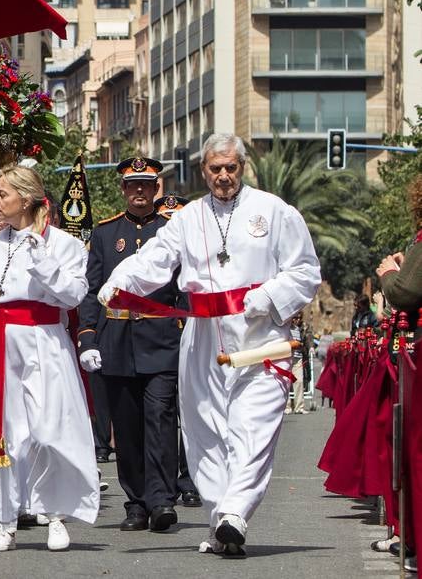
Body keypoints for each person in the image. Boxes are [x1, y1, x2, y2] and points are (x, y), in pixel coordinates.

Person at [98, 133, 322, 558]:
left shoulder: (274, 211)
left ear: (242, 167)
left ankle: (236, 512)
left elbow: (306, 270)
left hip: (259, 336)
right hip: (202, 337)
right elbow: (156, 260)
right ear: (203, 171)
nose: (223, 176)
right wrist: (121, 281)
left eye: (231, 167)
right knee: (206, 433)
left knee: (253, 427)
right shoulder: (186, 218)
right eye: (215, 168)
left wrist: (269, 297)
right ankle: (222, 521)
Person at [0, 165, 99, 553]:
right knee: (5, 436)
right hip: (0, 343)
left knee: (49, 430)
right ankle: (6, 522)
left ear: (26, 198)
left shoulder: (64, 245)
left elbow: (71, 296)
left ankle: (54, 514)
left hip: (45, 341)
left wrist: (42, 259)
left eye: (2, 194)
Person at [77, 158, 183, 533]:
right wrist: (87, 335)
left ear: (156, 189)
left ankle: (161, 500)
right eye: (132, 185)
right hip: (118, 342)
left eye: (146, 185)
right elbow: (92, 289)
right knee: (126, 426)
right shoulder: (106, 233)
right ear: (123, 190)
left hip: (161, 341)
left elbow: (184, 288)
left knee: (160, 420)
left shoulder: (173, 230)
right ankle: (136, 502)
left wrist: (184, 327)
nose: (139, 191)